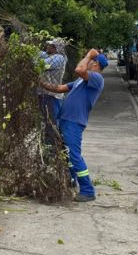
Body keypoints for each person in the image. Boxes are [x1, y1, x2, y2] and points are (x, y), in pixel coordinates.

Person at [40, 49, 108, 202]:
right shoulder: (81, 81)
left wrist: (89, 55)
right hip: (66, 120)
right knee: (67, 154)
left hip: (74, 122)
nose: (87, 61)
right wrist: (40, 83)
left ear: (96, 64)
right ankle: (72, 180)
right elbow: (59, 88)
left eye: (91, 61)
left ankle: (88, 190)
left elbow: (79, 69)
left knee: (74, 155)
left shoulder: (96, 78)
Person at [38, 39, 67, 146]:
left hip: (52, 95)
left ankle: (56, 145)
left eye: (50, 45)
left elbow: (39, 64)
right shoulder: (50, 55)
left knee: (53, 122)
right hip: (46, 93)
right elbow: (39, 54)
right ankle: (49, 143)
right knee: (46, 121)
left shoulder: (59, 58)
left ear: (55, 48)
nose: (47, 47)